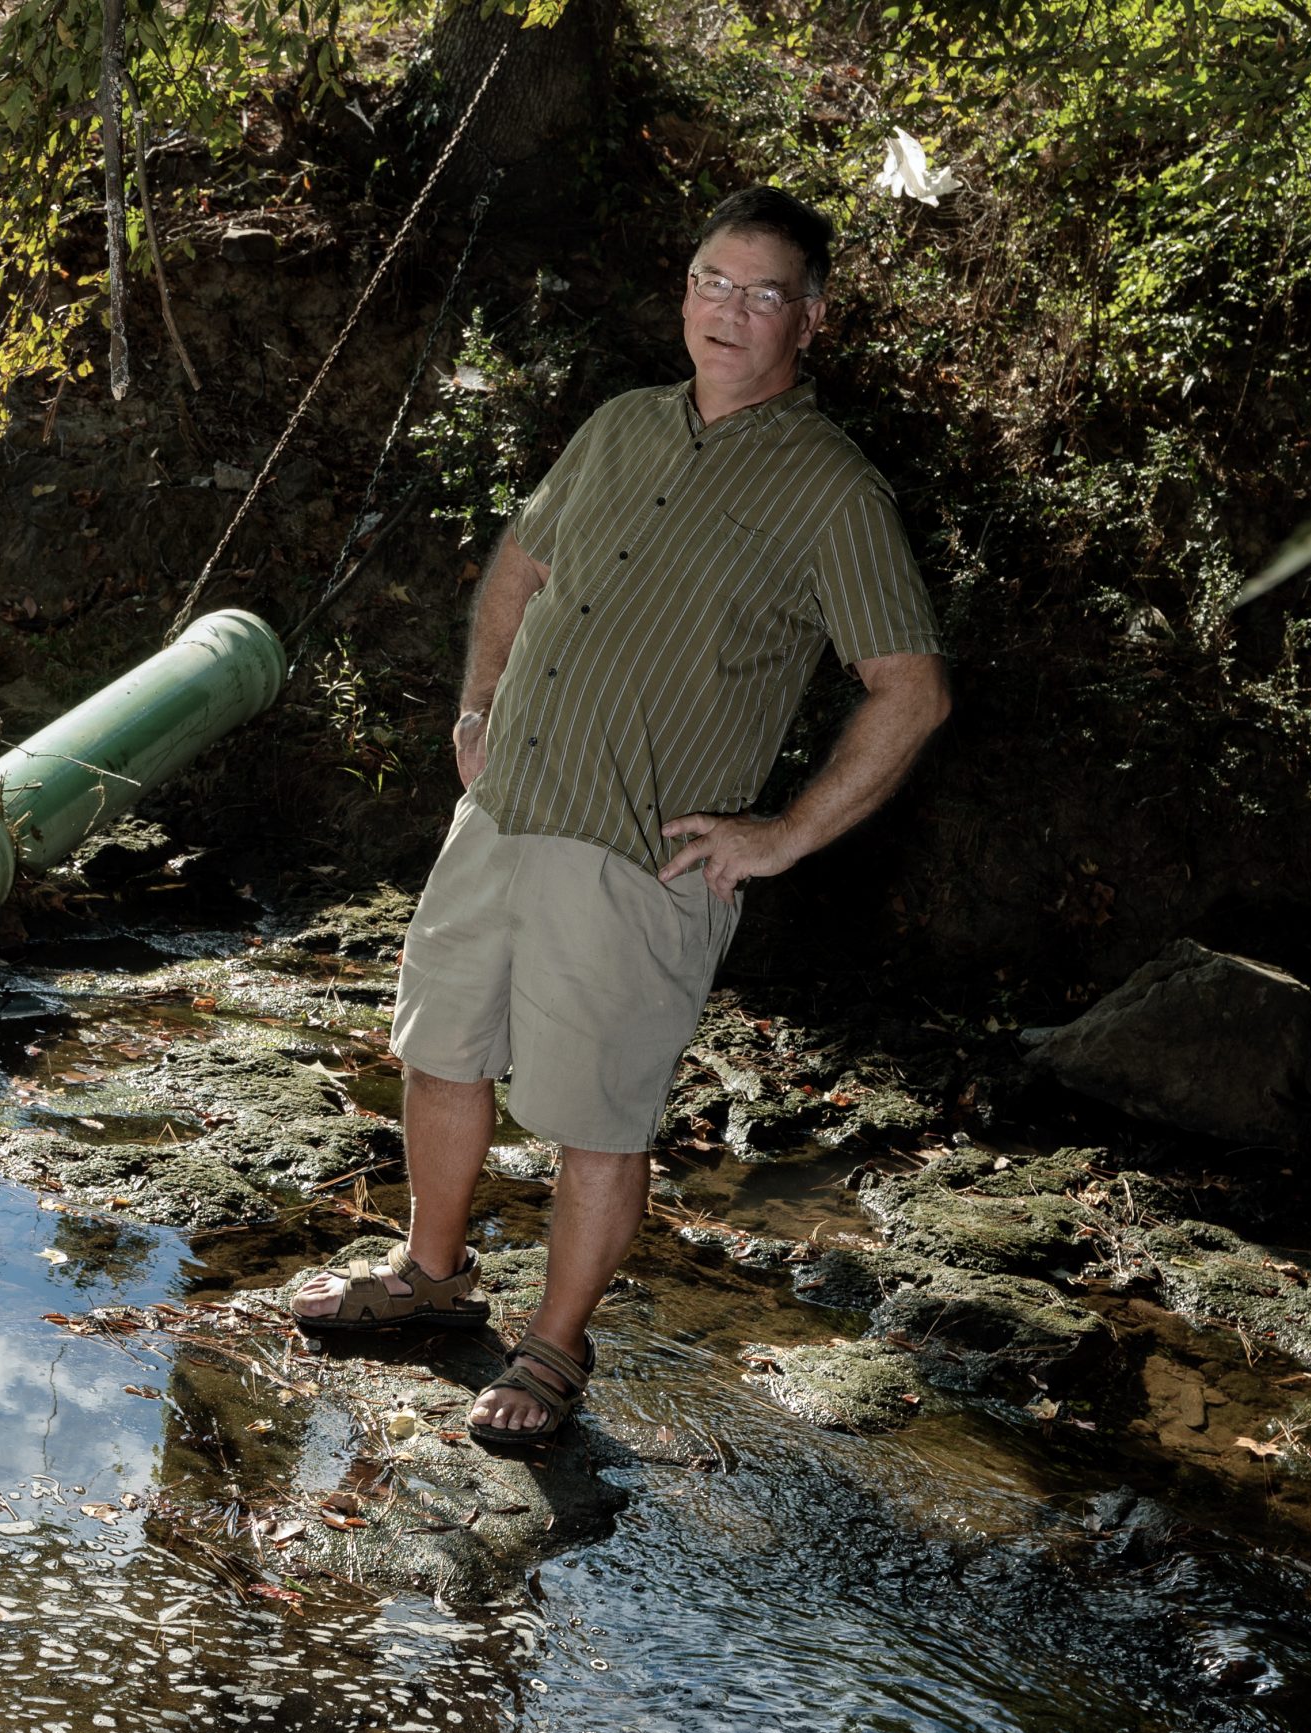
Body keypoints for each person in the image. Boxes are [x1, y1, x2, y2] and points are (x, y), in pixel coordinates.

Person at [289, 185, 952, 1444]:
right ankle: (430, 1279)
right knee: (439, 1053)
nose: (730, 311)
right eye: (713, 280)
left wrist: (782, 835)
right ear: (684, 291)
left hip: (641, 860)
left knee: (600, 1119)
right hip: (503, 814)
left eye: (763, 295)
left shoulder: (832, 491)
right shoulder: (618, 427)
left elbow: (910, 692)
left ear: (809, 320)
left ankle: (551, 1350)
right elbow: (520, 565)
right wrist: (476, 705)